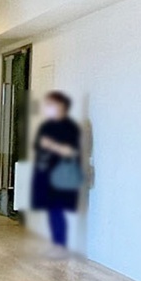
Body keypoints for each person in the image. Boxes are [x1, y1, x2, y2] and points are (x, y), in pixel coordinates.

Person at [31, 90, 81, 248]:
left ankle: (59, 244)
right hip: (45, 173)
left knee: (56, 209)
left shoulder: (70, 127)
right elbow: (37, 146)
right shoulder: (46, 126)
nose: (47, 108)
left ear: (61, 106)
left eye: (51, 105)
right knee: (52, 210)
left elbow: (71, 152)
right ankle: (57, 244)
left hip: (60, 175)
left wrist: (51, 145)